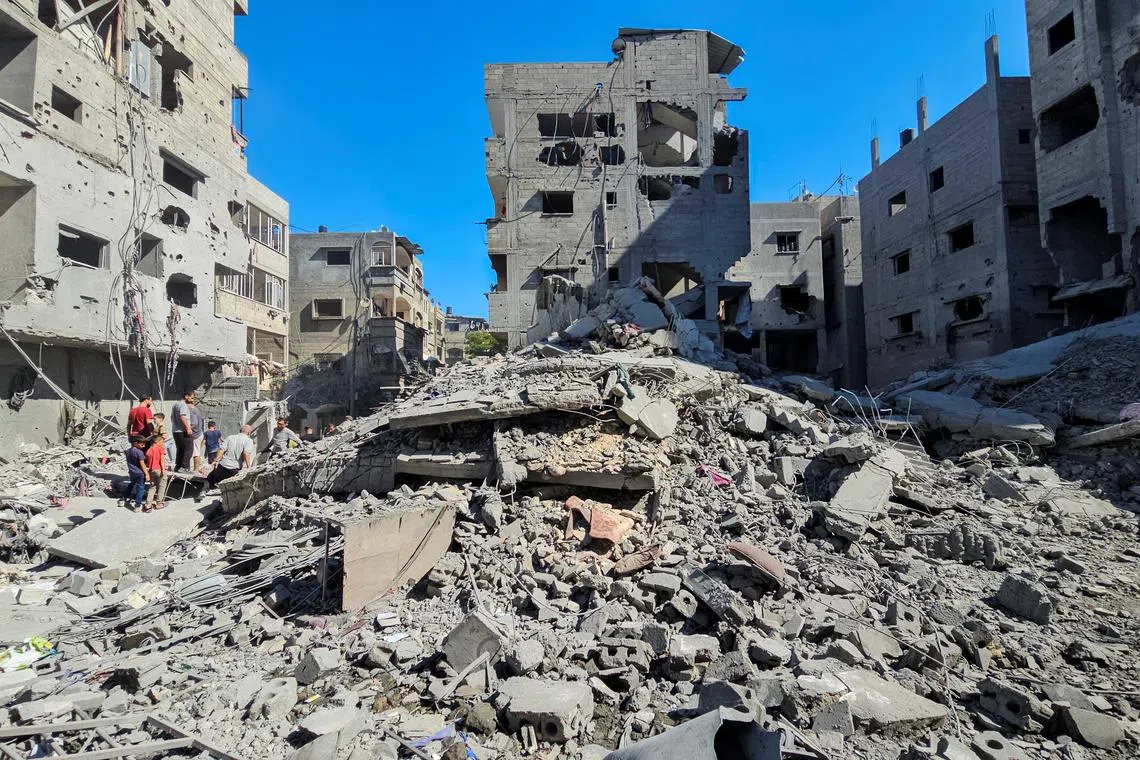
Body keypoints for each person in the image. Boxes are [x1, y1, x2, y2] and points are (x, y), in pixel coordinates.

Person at [170, 392, 195, 471]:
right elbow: (182, 417)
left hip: (176, 430)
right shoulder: (183, 405)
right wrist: (188, 428)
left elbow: (171, 417)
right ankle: (184, 467)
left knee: (180, 449)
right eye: (191, 398)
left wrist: (176, 425)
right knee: (189, 449)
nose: (192, 400)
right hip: (183, 431)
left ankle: (178, 466)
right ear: (186, 396)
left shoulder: (175, 404)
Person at [143, 433, 169, 511]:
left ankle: (148, 504)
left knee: (152, 487)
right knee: (162, 486)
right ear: (157, 441)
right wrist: (164, 471)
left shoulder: (149, 450)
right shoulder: (160, 448)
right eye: (162, 441)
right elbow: (162, 460)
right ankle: (159, 503)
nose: (163, 443)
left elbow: (148, 462)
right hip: (159, 469)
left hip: (152, 470)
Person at [125, 435, 150, 511]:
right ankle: (137, 505)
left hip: (132, 472)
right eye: (142, 444)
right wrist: (147, 474)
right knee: (140, 488)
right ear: (136, 443)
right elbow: (142, 464)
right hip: (140, 473)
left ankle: (124, 499)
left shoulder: (128, 451)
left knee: (131, 485)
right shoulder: (139, 452)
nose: (144, 446)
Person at [189, 400, 205, 471]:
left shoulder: (192, 411)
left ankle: (196, 470)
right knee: (196, 452)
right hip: (199, 434)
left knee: (196, 453)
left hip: (196, 435)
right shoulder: (197, 410)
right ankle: (196, 469)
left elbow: (194, 423)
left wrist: (186, 428)